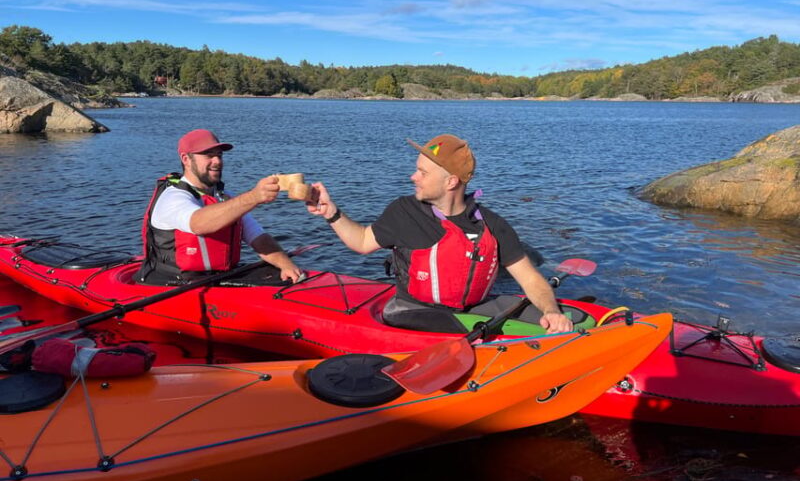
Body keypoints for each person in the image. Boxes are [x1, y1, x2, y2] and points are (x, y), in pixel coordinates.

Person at [306, 133, 573, 334]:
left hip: (470, 312)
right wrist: (331, 212)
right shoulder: (404, 212)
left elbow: (531, 280)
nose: (413, 177)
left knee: (572, 315)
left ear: (451, 182)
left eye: (422, 172)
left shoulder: (493, 225)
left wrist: (552, 312)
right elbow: (363, 241)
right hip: (411, 311)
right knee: (456, 325)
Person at [136, 128, 303, 285]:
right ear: (186, 159)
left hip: (214, 278)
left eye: (219, 155)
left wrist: (286, 265)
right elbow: (199, 224)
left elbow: (257, 236)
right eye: (208, 155)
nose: (217, 161)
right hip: (171, 282)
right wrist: (254, 197)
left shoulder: (223, 197)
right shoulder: (173, 197)